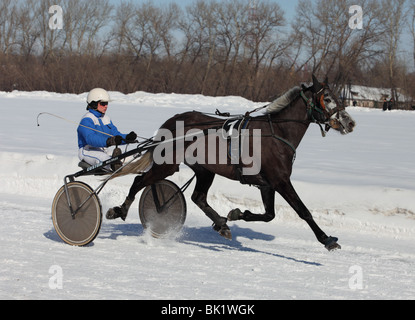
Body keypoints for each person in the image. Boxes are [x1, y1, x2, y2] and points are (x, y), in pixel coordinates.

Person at [78, 88, 137, 171]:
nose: (106, 106)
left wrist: (127, 138)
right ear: (94, 104)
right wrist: (109, 141)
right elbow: (90, 138)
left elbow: (115, 134)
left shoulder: (106, 119)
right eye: (103, 103)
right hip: (88, 151)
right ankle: (114, 165)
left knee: (131, 157)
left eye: (107, 103)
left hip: (103, 150)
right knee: (106, 159)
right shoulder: (87, 119)